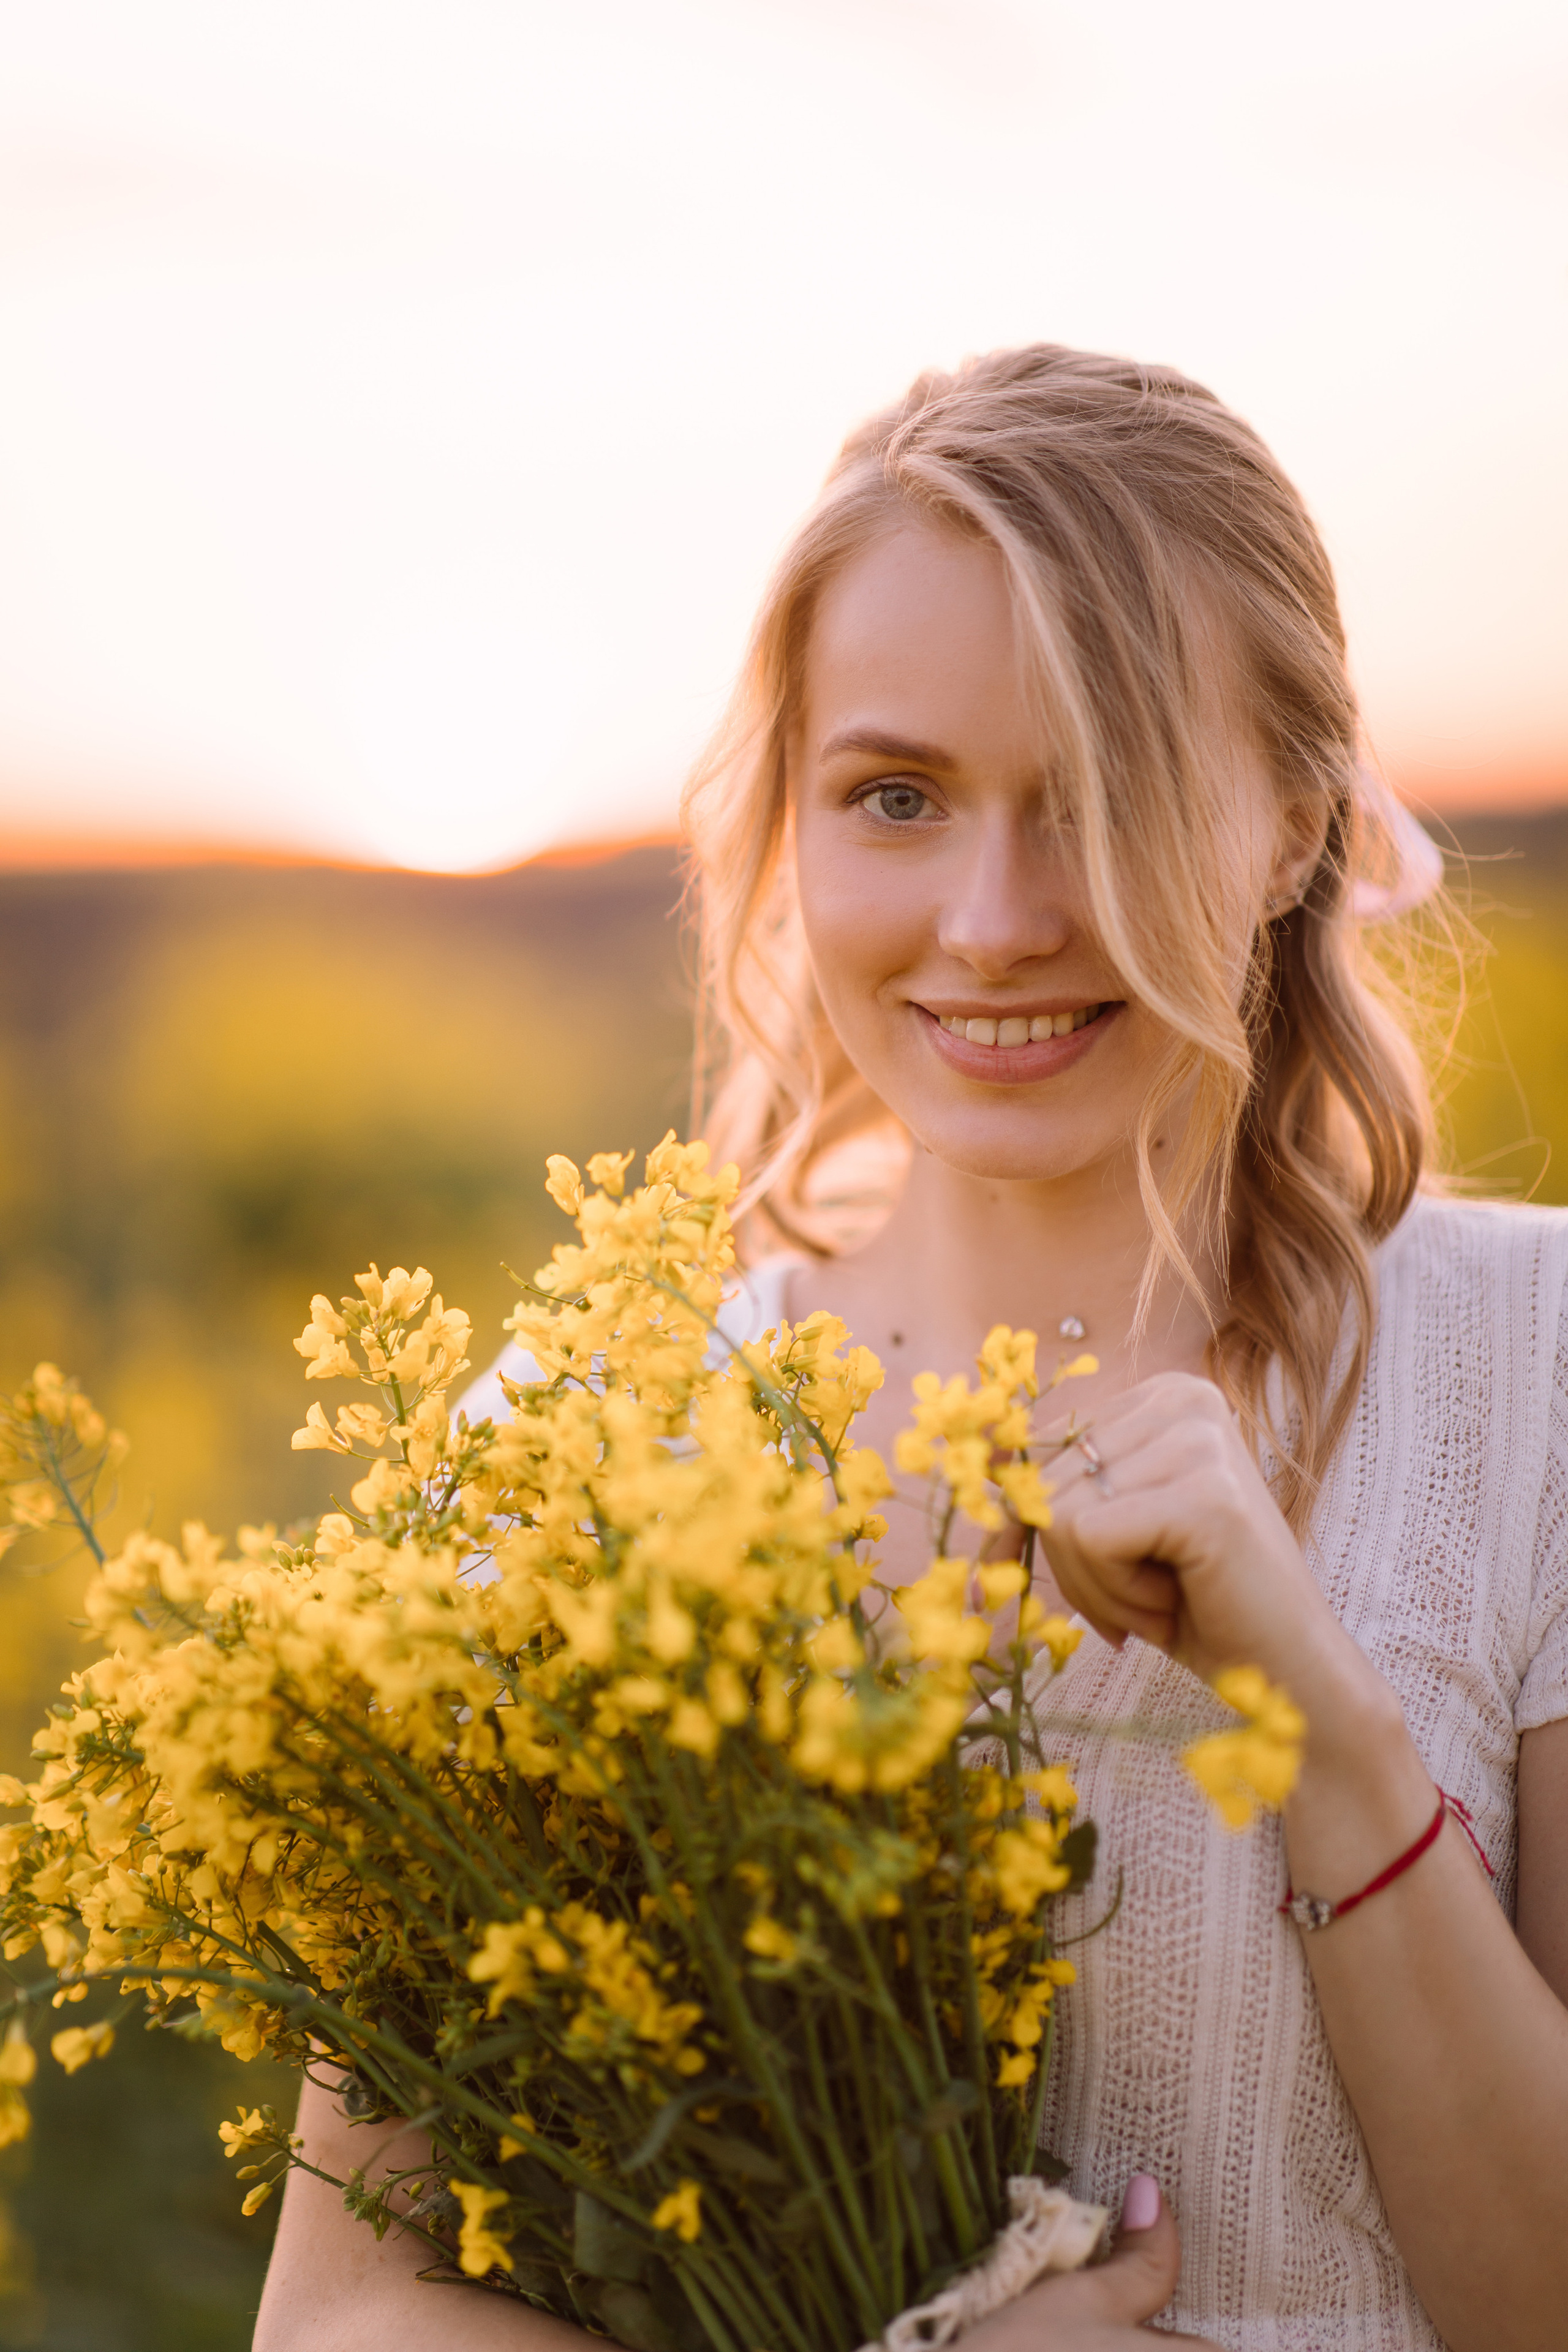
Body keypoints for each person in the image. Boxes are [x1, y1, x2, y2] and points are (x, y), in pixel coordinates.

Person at [254, 346, 1568, 2351]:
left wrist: (1313, 1704)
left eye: (1107, 797)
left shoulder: (1537, 1375)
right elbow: (344, 2314)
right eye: (895, 797)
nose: (991, 918)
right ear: (789, 827)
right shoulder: (577, 1444)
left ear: (1299, 819)